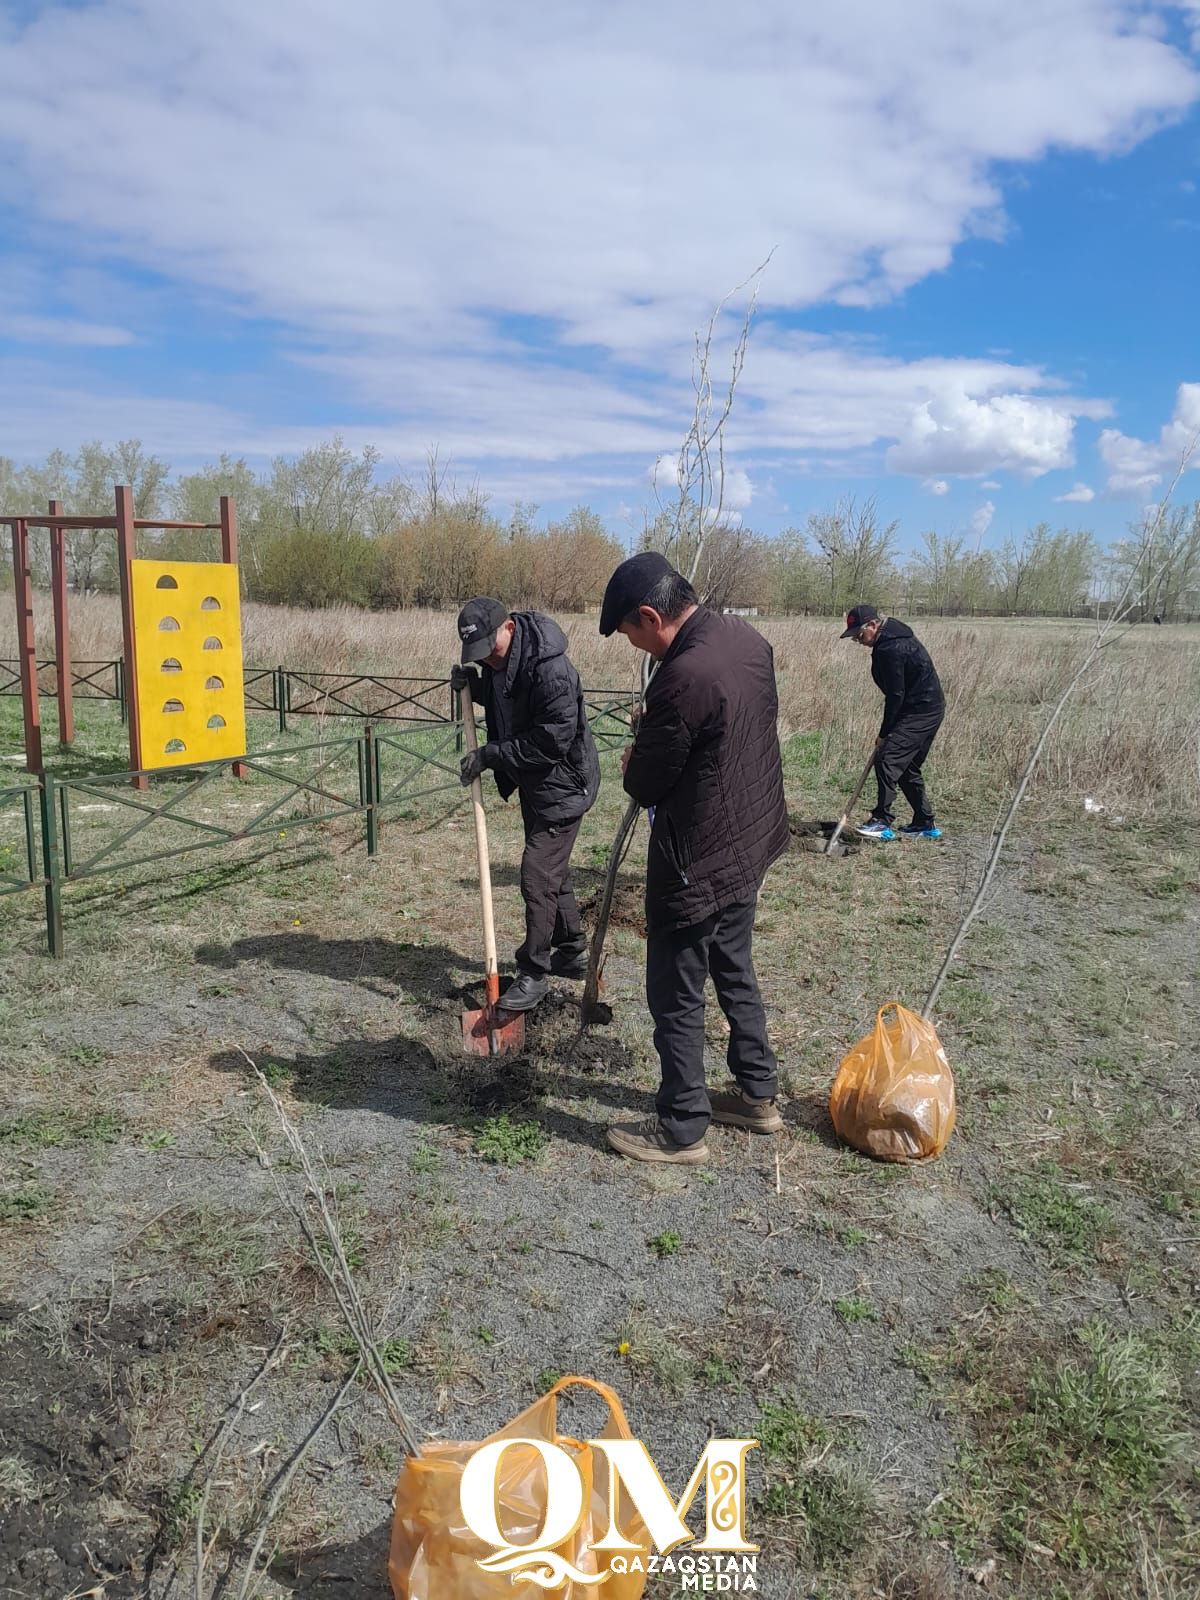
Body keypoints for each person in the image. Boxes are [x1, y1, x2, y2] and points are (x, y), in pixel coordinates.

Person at [597, 553, 790, 1164]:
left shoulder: (684, 678)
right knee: (733, 963)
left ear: (652, 615)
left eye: (632, 633)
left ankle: (683, 1126)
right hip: (749, 840)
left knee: (675, 989)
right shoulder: (745, 638)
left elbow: (645, 783)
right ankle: (758, 1095)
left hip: (698, 858)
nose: (635, 646)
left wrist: (636, 759)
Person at [452, 597, 600, 1012]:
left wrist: (491, 755)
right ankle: (571, 948)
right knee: (553, 870)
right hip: (537, 783)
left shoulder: (551, 670)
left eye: (490, 651)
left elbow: (550, 740)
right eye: (477, 656)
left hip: (565, 785)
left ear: (509, 629)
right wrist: (475, 687)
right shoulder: (500, 662)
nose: (488, 661)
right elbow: (508, 699)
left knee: (536, 875)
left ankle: (534, 974)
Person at [840, 603, 945, 842]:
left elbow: (895, 695)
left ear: (873, 626)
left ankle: (881, 821)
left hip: (920, 711)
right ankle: (924, 822)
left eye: (859, 635)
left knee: (887, 759)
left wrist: (884, 733)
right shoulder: (894, 637)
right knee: (906, 766)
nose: (859, 641)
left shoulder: (890, 648)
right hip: (930, 707)